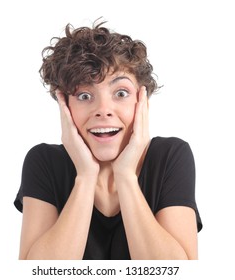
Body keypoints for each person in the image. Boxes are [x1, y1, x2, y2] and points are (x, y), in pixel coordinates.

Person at [14, 20, 202, 260]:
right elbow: (36, 274)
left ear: (141, 102)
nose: (103, 110)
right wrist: (85, 176)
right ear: (65, 107)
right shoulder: (44, 161)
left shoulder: (170, 156)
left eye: (121, 93)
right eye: (84, 95)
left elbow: (177, 273)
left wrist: (125, 175)